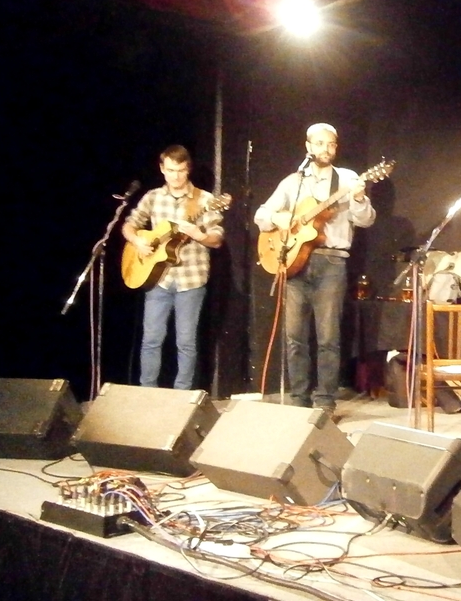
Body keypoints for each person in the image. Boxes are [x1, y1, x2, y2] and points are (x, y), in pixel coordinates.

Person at [254, 123, 375, 417]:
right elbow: (261, 215)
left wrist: (359, 198)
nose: (326, 149)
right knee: (295, 337)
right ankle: (299, 398)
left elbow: (366, 219)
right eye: (320, 143)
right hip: (295, 262)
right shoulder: (293, 182)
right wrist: (280, 219)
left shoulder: (347, 179)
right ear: (308, 147)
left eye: (331, 144)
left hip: (332, 262)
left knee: (328, 338)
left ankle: (325, 401)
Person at [122, 145, 225, 390]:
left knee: (185, 342)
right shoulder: (153, 197)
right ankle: (147, 392)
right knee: (151, 339)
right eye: (170, 170)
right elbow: (130, 224)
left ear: (188, 169)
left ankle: (182, 396)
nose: (175, 176)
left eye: (180, 170)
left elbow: (217, 238)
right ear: (162, 169)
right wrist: (138, 241)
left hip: (191, 279)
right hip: (157, 279)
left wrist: (199, 235)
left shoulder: (205, 200)